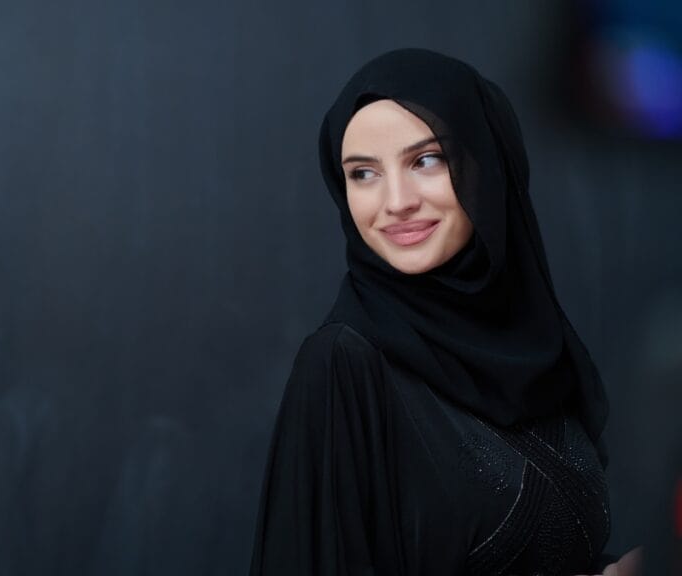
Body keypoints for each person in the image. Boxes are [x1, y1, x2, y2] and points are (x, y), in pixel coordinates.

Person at [248, 49, 639, 575]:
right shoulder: (345, 365)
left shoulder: (537, 351)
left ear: (488, 164)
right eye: (363, 173)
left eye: (425, 160)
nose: (396, 201)